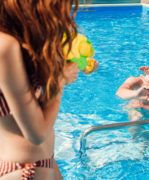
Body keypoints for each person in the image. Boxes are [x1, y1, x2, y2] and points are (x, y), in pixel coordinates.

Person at [0, 0, 80, 179]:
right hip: (24, 169)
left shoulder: (16, 39)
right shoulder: (4, 45)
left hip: (43, 162)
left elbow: (30, 110)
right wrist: (59, 81)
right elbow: (36, 133)